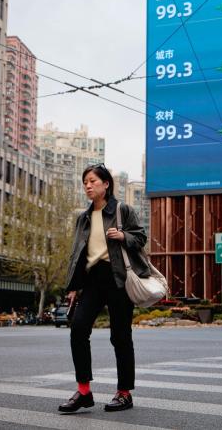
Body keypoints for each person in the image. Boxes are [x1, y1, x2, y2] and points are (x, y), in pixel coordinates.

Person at [58, 164, 148, 414]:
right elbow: (78, 254)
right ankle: (84, 392)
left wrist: (122, 236)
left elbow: (141, 238)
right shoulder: (83, 217)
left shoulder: (122, 209)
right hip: (92, 280)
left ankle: (124, 393)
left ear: (106, 184)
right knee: (78, 329)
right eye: (85, 182)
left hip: (118, 278)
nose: (88, 185)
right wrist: (74, 286)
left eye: (92, 181)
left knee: (120, 336)